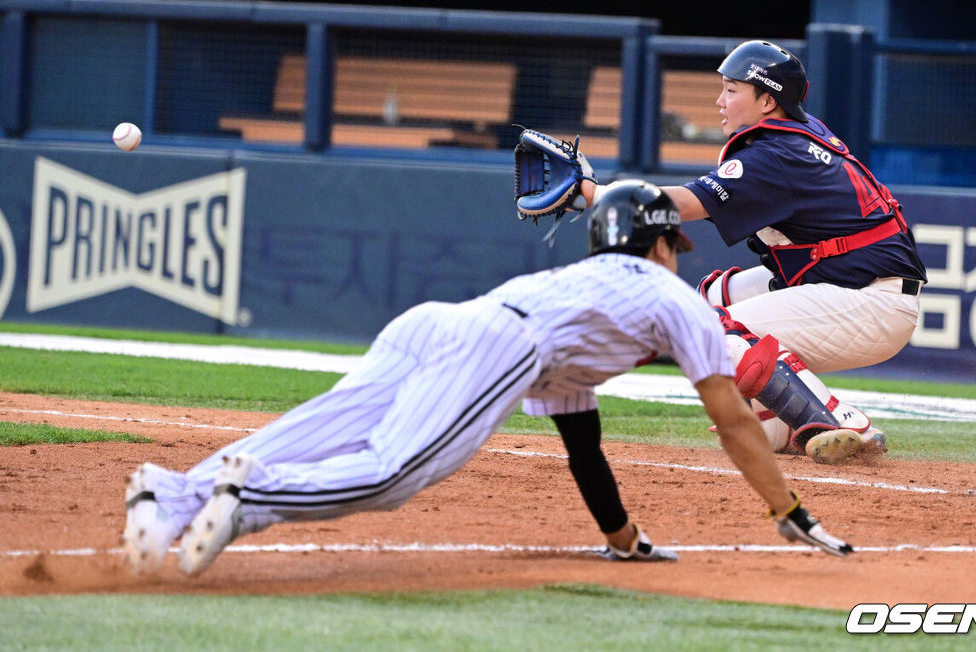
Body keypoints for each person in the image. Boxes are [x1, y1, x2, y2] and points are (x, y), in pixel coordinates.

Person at [122, 180, 852, 577]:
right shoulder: (668, 299)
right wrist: (786, 508)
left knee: (320, 427)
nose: (677, 255)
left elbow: (583, 446)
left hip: (438, 323)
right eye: (674, 243)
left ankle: (171, 491)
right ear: (658, 241)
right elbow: (730, 420)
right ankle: (246, 495)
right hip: (501, 342)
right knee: (394, 473)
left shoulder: (585, 291)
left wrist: (624, 540)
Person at [579, 41, 928, 463]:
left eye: (731, 90)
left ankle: (840, 421)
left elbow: (684, 204)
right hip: (849, 283)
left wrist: (593, 193)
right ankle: (779, 427)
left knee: (707, 328)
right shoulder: (794, 137)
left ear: (767, 100)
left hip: (870, 301)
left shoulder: (774, 154)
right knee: (710, 301)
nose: (719, 100)